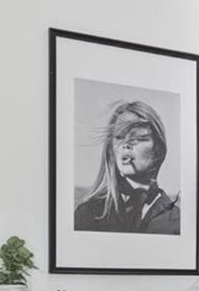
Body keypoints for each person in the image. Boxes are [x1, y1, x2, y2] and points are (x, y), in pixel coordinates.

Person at [74, 100, 180, 234]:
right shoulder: (89, 213)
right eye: (119, 137)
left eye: (140, 138)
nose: (127, 144)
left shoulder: (175, 221)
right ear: (110, 150)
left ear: (158, 150)